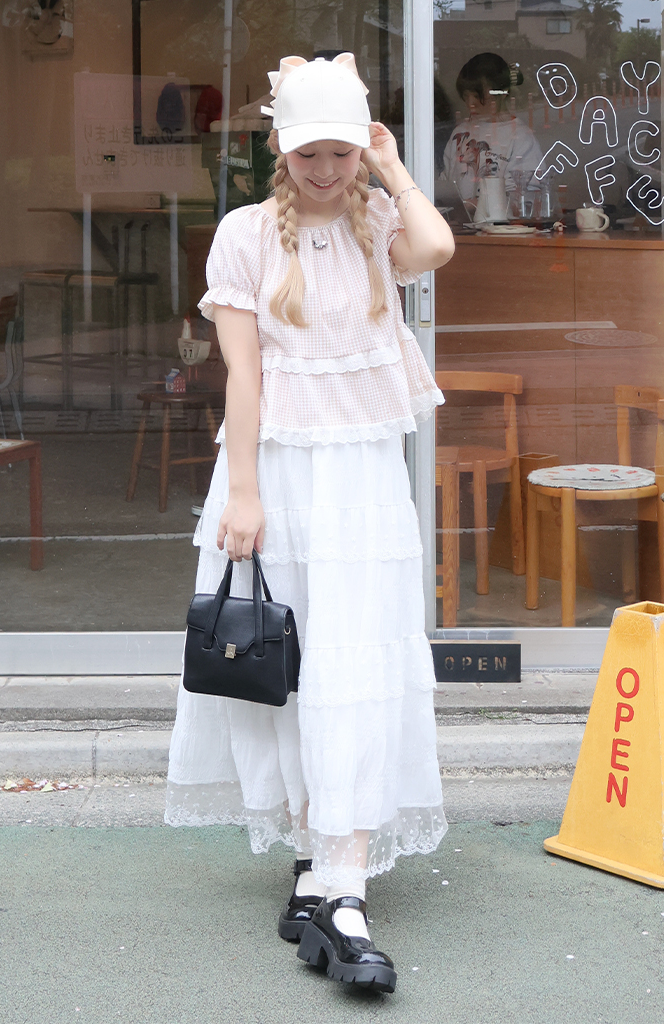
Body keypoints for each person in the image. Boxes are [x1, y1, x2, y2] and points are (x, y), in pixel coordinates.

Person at [165, 53, 454, 994]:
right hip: (278, 473)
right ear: (279, 151)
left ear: (361, 148)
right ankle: (315, 860)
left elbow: (437, 248)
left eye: (340, 152)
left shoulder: (378, 220)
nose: (325, 170)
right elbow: (243, 375)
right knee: (288, 668)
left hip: (362, 477)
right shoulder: (246, 234)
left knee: (358, 666)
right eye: (307, 153)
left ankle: (341, 887)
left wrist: (393, 167)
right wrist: (243, 494)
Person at [440, 52, 542, 205]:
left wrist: (473, 206)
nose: (471, 103)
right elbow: (446, 183)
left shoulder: (521, 137)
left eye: (478, 96)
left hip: (501, 221)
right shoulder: (459, 133)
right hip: (459, 219)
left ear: (502, 93)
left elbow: (525, 196)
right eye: (466, 96)